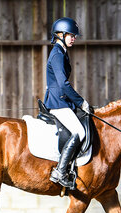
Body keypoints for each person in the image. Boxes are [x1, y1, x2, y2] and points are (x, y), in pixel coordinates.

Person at [44, 17, 90, 189]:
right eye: (71, 35)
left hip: (62, 101)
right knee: (80, 131)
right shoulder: (57, 54)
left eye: (74, 35)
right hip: (58, 102)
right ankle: (60, 172)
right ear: (60, 34)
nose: (74, 38)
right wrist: (81, 102)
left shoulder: (62, 52)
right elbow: (63, 84)